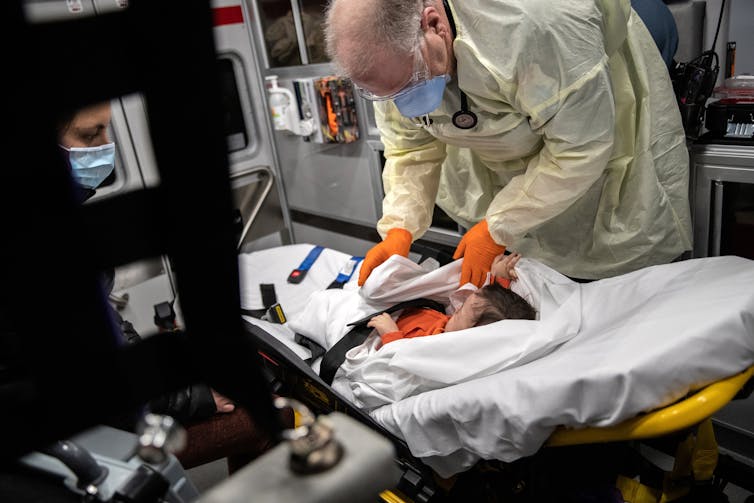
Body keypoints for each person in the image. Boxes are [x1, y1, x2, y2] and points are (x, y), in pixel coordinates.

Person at [324, 0, 692, 287]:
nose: (407, 102)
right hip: (517, 127)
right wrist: (401, 227)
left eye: (414, 82)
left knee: (620, 243)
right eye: (392, 94)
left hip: (588, 93)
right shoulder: (392, 61)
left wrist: (500, 225)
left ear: (434, 23)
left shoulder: (538, 25)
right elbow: (410, 148)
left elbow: (579, 149)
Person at [56, 101, 286, 471]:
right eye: (89, 134)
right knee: (260, 417)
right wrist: (199, 398)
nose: (105, 144)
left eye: (105, 130)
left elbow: (110, 330)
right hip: (94, 434)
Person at [367, 253, 535, 345]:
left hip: (383, 325)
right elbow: (497, 306)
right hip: (402, 307)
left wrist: (390, 335)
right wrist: (499, 278)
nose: (457, 308)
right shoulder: (463, 323)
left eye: (460, 313)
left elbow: (404, 360)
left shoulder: (435, 344)